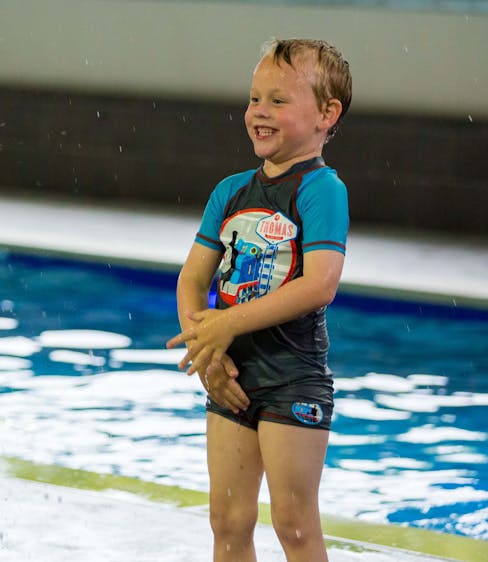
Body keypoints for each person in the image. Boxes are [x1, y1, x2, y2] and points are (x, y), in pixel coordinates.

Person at [167, 38, 352, 562]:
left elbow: (320, 284)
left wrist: (228, 325)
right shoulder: (229, 191)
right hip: (230, 372)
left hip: (293, 373)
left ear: (326, 114)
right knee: (228, 521)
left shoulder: (322, 190)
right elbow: (191, 280)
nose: (259, 112)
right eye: (253, 99)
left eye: (277, 100)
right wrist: (207, 349)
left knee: (293, 524)